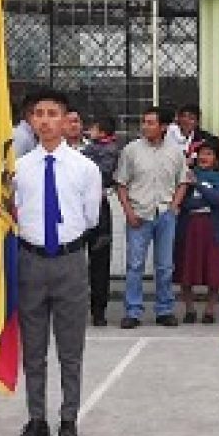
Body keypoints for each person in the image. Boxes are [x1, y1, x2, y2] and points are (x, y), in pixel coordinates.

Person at [0, 90, 102, 436]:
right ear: (31, 121)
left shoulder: (85, 168)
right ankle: (36, 418)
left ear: (67, 121)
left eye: (54, 113)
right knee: (33, 348)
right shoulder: (17, 169)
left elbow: (90, 218)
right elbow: (9, 215)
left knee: (70, 347)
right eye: (39, 113)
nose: (46, 120)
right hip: (30, 261)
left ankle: (69, 417)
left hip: (69, 261)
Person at [113, 106, 189, 329]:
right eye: (144, 121)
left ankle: (164, 309)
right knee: (135, 265)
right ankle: (133, 311)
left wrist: (174, 207)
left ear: (163, 127)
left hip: (165, 214)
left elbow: (183, 180)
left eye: (150, 122)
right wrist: (128, 212)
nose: (145, 126)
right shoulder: (131, 150)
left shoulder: (175, 151)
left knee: (165, 266)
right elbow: (121, 183)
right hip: (139, 213)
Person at [177, 138, 219, 325]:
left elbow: (218, 199)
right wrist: (201, 196)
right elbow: (185, 203)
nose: (204, 157)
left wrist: (198, 185)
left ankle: (210, 309)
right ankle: (189, 309)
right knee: (186, 268)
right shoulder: (188, 174)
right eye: (202, 153)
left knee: (213, 270)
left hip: (212, 227)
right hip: (190, 226)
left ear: (216, 158)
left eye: (209, 153)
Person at [79, 114, 122, 327]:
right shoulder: (59, 151)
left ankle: (98, 310)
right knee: (72, 263)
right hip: (71, 211)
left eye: (81, 122)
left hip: (98, 208)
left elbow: (104, 174)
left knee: (99, 261)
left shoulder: (105, 149)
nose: (80, 127)